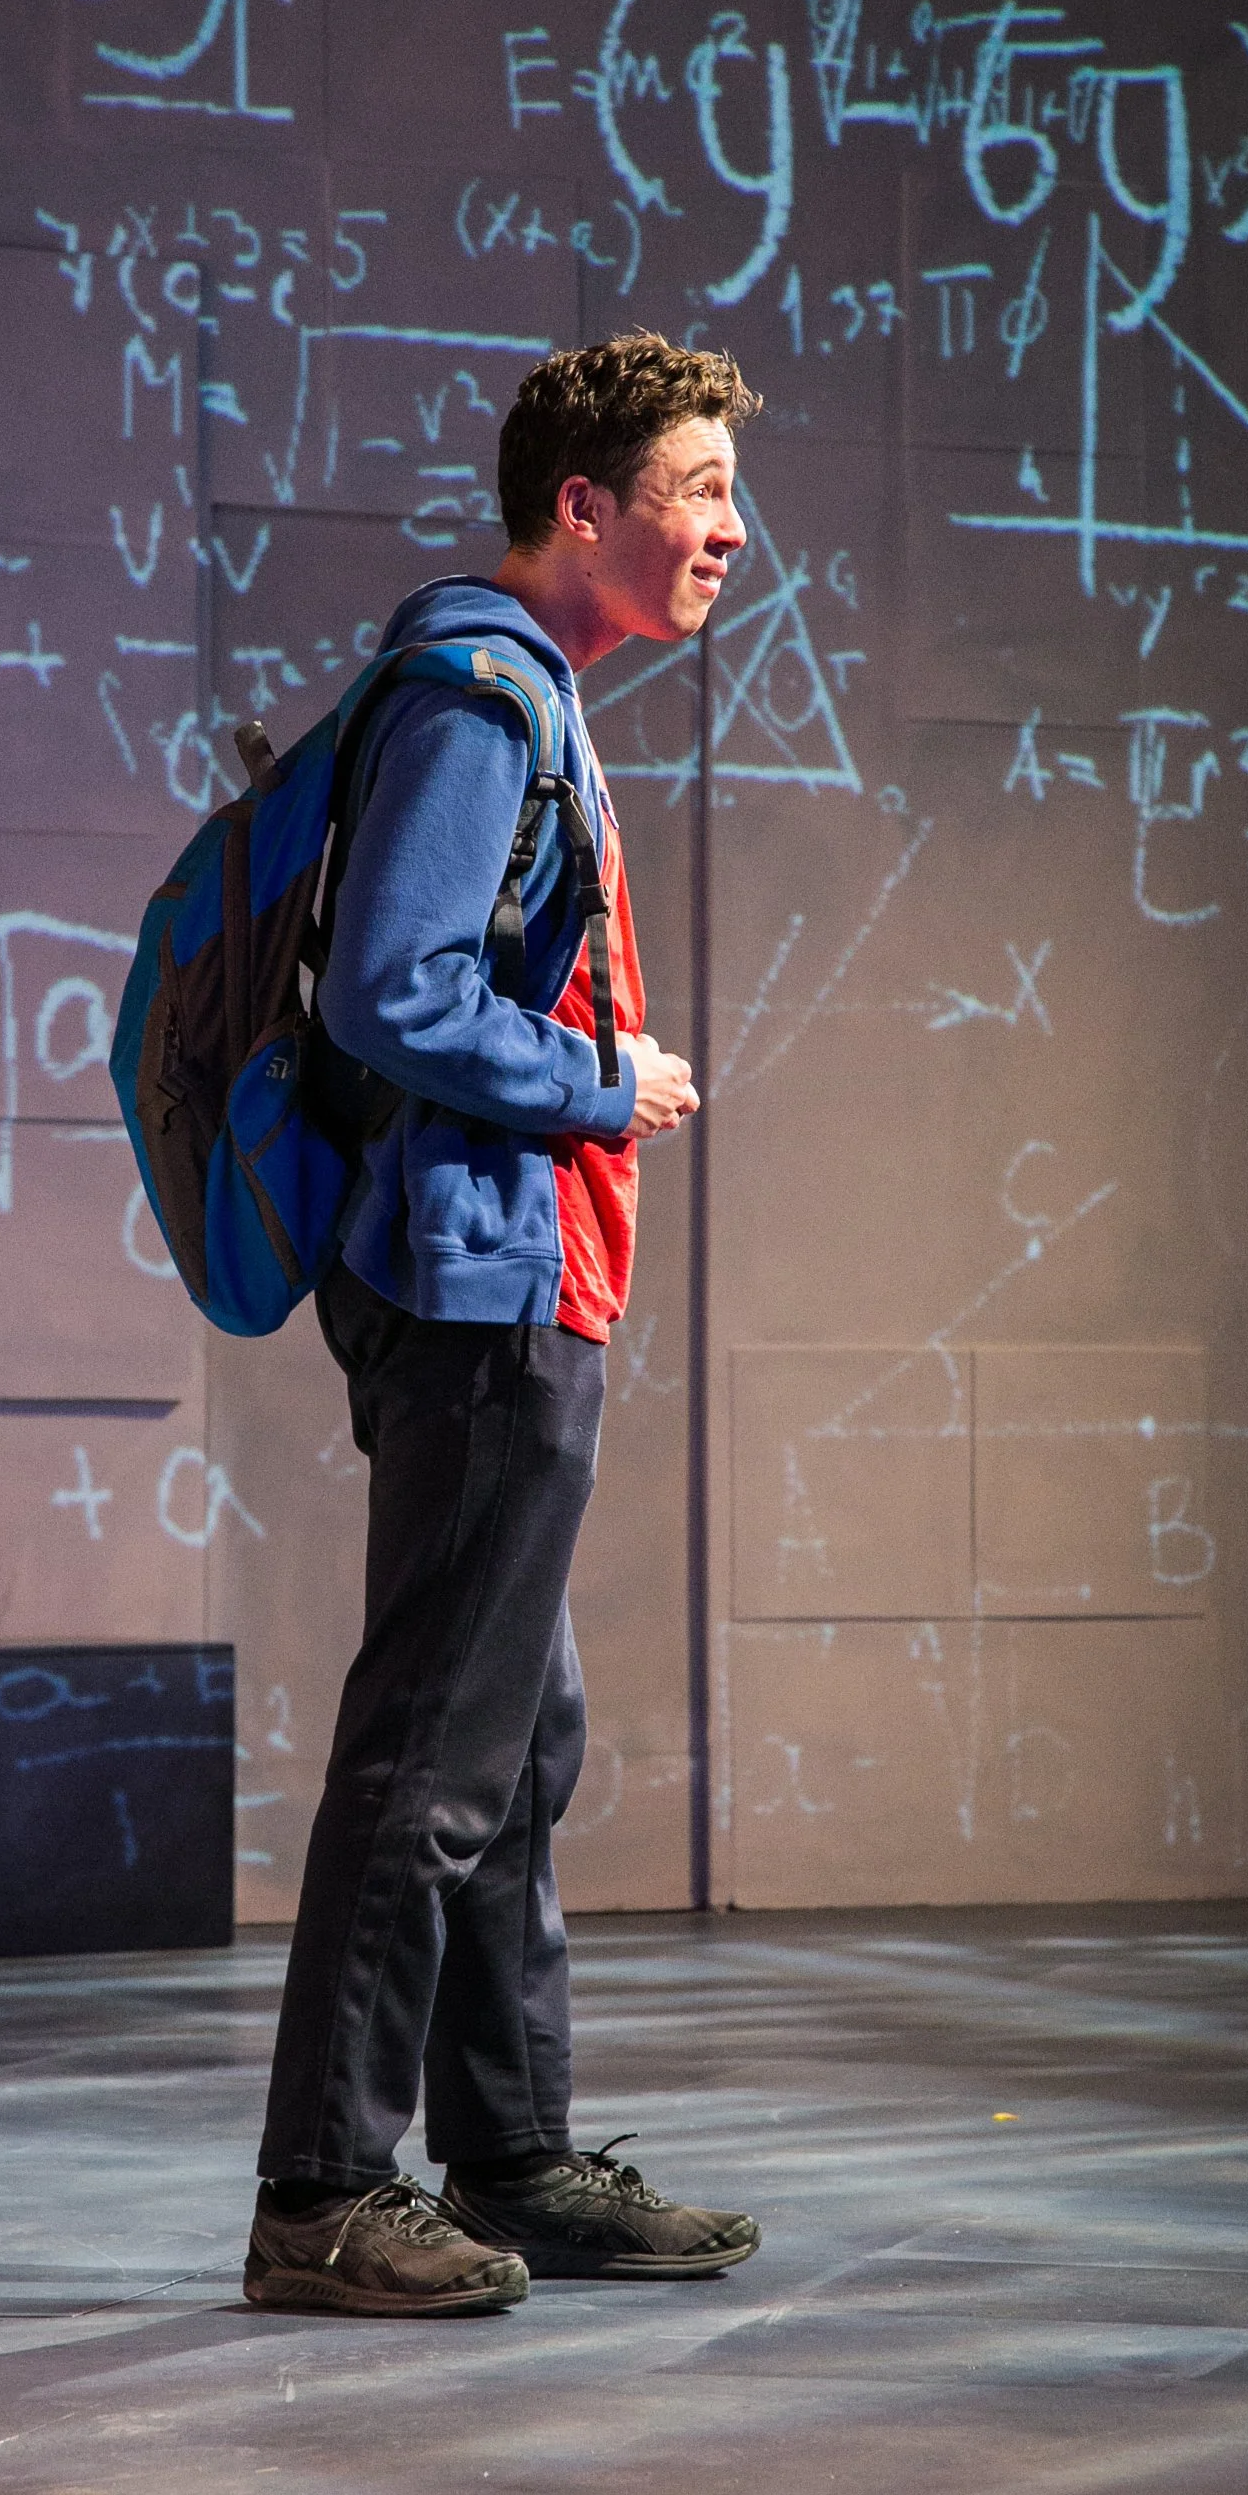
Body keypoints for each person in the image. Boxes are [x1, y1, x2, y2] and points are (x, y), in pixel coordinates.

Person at [244, 333, 763, 2318]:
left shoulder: (519, 685)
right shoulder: (476, 695)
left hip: (515, 1272)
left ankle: (515, 2154)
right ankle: (320, 2193)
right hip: (473, 1280)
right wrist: (599, 1077)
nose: (730, 524)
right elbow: (393, 991)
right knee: (427, 1757)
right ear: (587, 506)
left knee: (510, 1742)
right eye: (699, 487)